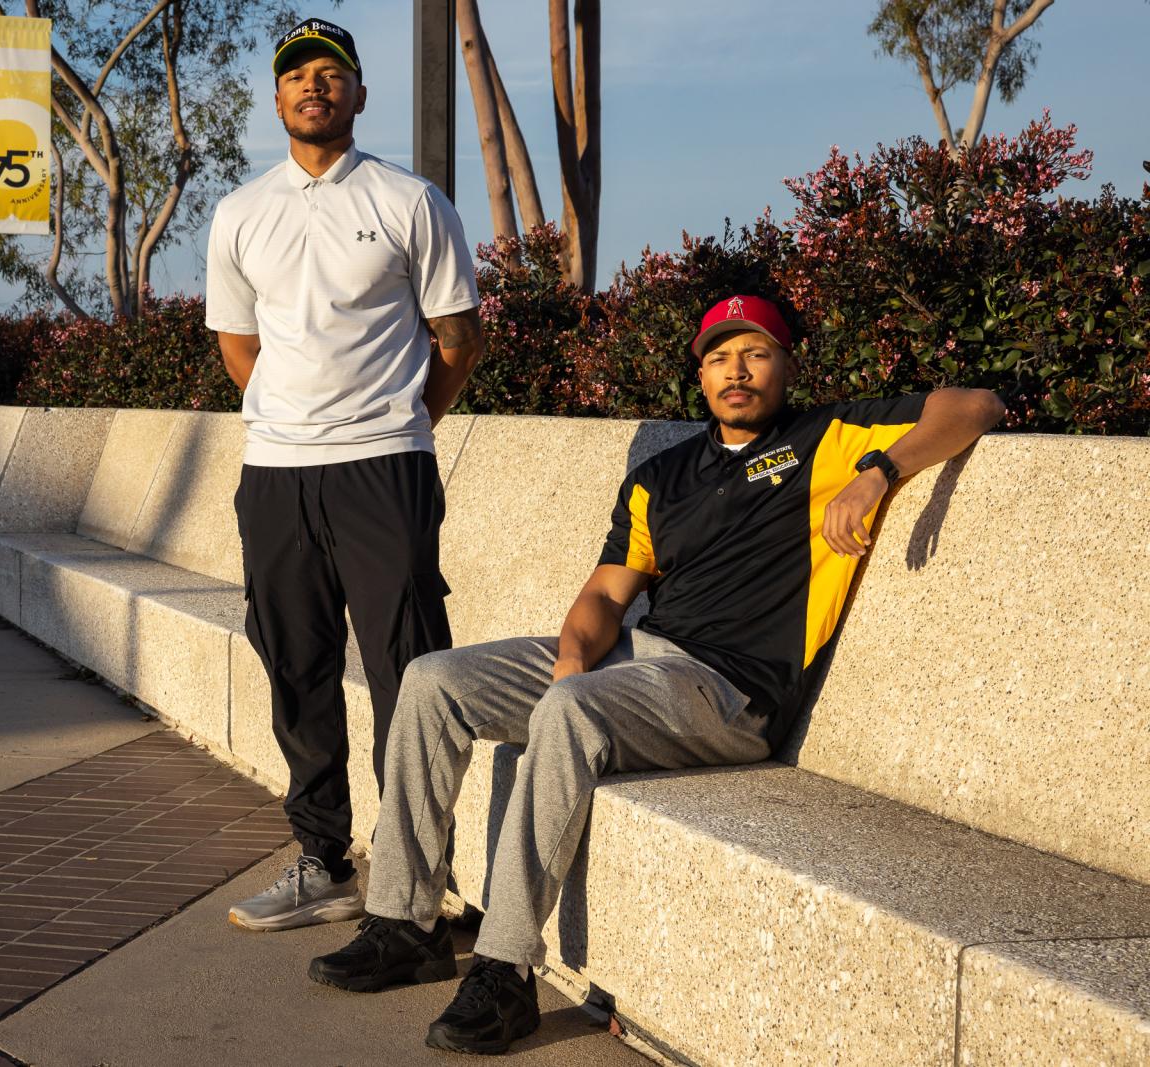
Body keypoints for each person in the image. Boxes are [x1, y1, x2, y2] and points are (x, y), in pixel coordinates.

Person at [307, 294, 1007, 1055]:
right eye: (718, 357)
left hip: (728, 691)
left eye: (756, 353)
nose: (735, 371)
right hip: (633, 665)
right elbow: (607, 594)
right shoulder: (662, 474)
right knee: (432, 679)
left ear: (788, 364)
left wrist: (878, 473)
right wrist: (572, 663)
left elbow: (976, 403)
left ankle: (506, 973)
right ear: (700, 374)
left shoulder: (830, 435)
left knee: (570, 710)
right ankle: (406, 922)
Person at [205, 17, 484, 931]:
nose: (313, 87)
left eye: (332, 74)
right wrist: (294, 420)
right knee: (297, 666)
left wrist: (398, 421)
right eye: (296, 76)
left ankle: (415, 878)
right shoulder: (242, 213)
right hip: (276, 474)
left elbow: (458, 340)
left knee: (409, 669)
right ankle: (323, 861)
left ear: (360, 95)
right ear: (277, 99)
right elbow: (238, 345)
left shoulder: (411, 201)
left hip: (383, 470)